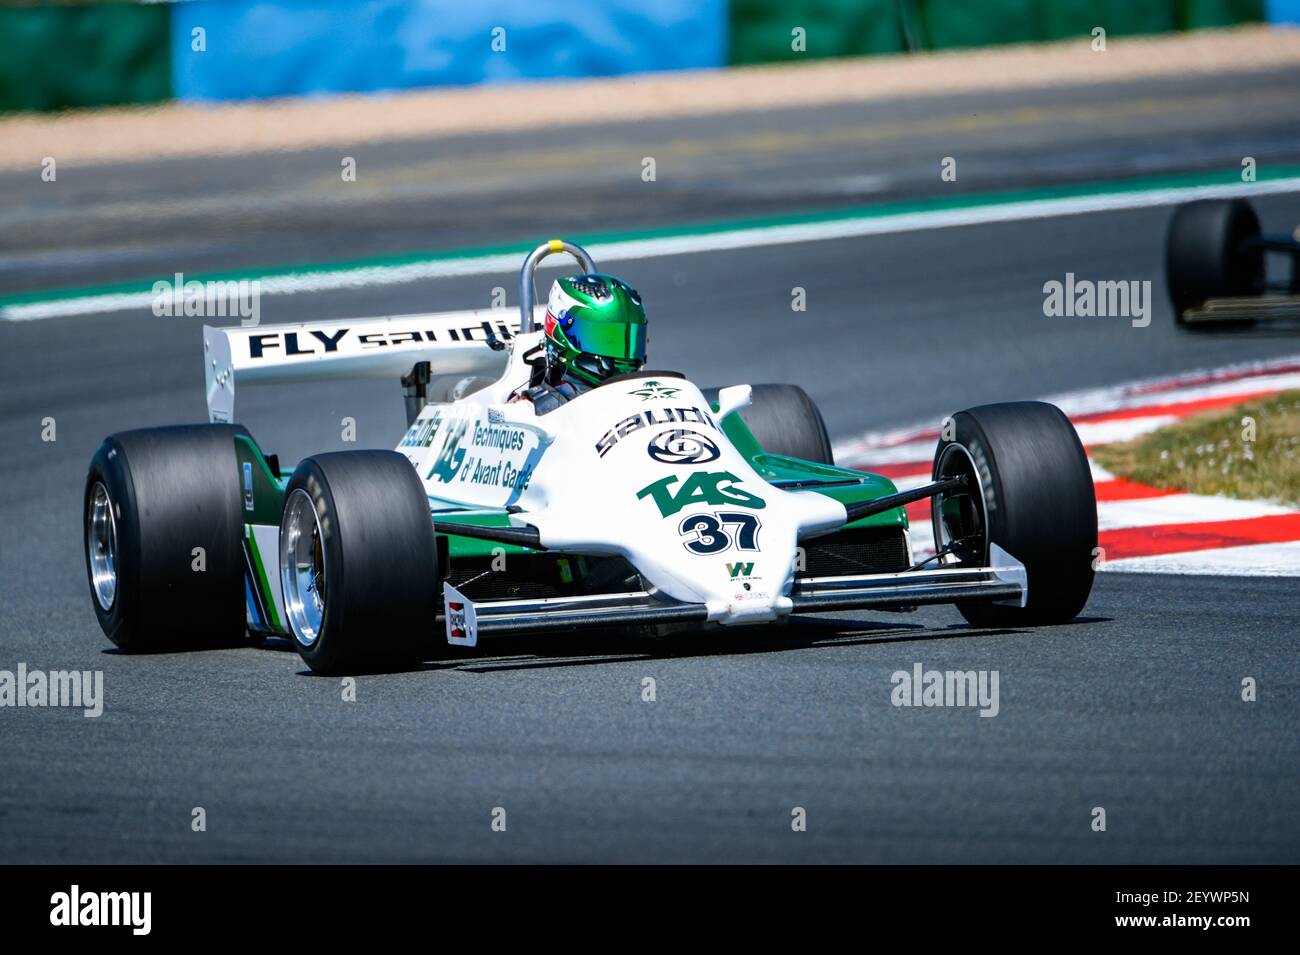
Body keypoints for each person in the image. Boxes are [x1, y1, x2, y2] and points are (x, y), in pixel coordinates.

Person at [515, 273, 647, 413]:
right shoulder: (535, 409)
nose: (622, 358)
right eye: (605, 341)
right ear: (563, 337)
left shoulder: (646, 397)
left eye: (627, 342)